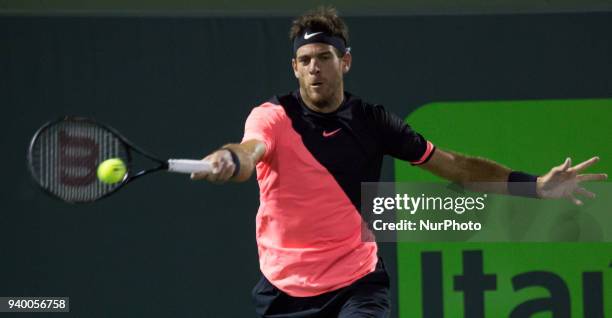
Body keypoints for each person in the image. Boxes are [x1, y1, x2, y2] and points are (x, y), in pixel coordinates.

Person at [191, 7, 607, 318]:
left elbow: (456, 167)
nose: (315, 68)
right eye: (305, 61)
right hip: (283, 289)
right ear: (295, 68)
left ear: (345, 61)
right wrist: (230, 158)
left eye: (324, 57)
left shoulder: (373, 122)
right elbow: (250, 152)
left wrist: (533, 185)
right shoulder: (272, 118)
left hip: (356, 285)